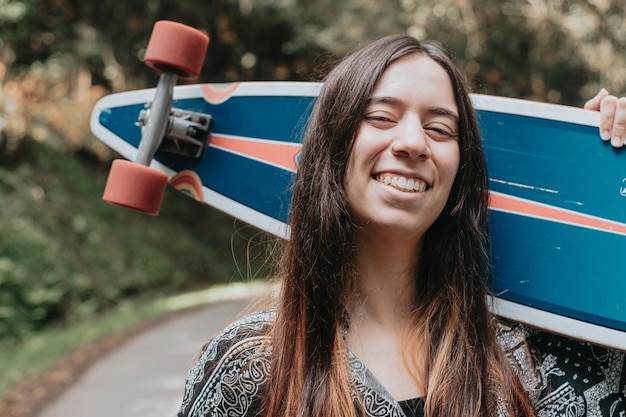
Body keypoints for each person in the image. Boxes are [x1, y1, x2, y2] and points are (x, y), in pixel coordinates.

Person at [177, 35, 626, 417]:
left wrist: (612, 177)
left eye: (441, 129)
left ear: (461, 174)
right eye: (380, 117)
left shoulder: (532, 359)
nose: (412, 142)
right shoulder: (248, 366)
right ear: (331, 149)